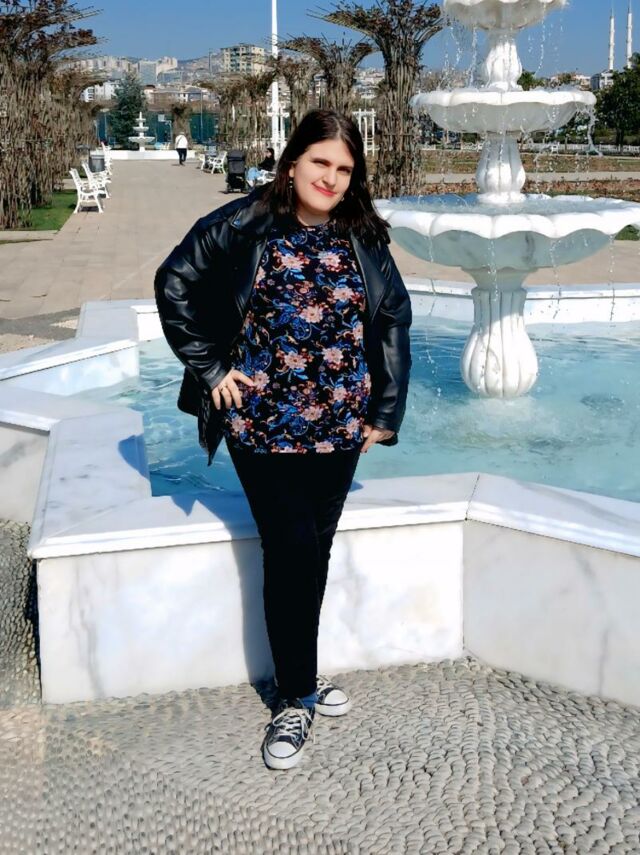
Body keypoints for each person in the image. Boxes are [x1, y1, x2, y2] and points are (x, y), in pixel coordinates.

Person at [154, 110, 412, 770]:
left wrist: (384, 409)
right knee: (292, 547)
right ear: (293, 160)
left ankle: (301, 672)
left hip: (340, 425)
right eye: (321, 162)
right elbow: (174, 281)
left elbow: (392, 315)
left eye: (345, 168)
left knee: (313, 552)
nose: (331, 177)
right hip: (263, 423)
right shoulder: (244, 222)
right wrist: (212, 369)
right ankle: (295, 697)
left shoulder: (361, 233)